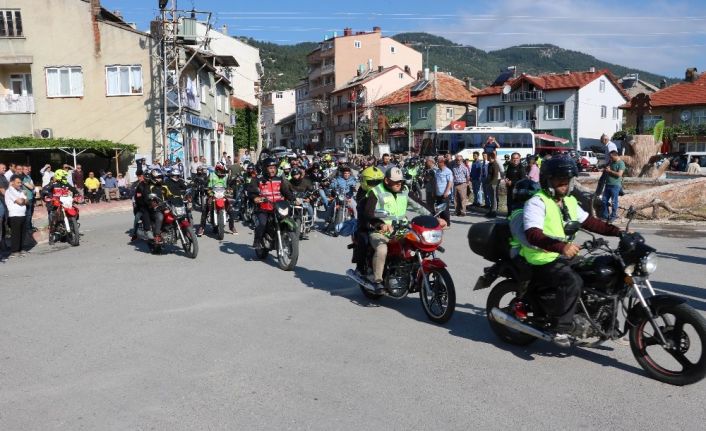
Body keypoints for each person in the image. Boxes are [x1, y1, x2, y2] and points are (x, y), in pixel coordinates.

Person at [521, 156, 621, 345]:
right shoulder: (537, 202)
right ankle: (561, 329)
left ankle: (606, 324)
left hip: (565, 255)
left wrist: (618, 232)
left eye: (567, 180)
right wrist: (562, 247)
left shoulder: (569, 202)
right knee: (572, 281)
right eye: (559, 179)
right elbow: (533, 234)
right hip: (542, 258)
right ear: (548, 180)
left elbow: (591, 223)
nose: (564, 184)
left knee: (603, 274)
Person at [362, 167, 438, 292]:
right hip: (380, 231)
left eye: (401, 181)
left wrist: (435, 216)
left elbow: (419, 205)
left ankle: (410, 273)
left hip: (401, 229)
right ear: (387, 180)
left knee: (419, 244)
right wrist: (380, 224)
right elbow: (368, 213)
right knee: (382, 249)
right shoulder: (376, 192)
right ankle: (378, 281)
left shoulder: (404, 190)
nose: (399, 183)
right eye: (396, 181)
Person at [247, 157, 294, 254]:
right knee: (262, 223)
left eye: (274, 168)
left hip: (277, 207)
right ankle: (258, 241)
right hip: (263, 208)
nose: (273, 170)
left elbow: (285, 191)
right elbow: (251, 191)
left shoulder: (279, 179)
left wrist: (294, 199)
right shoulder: (258, 179)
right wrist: (255, 198)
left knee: (287, 219)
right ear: (265, 168)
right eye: (270, 168)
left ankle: (284, 237)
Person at [40, 169, 79, 244]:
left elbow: (73, 189)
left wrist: (77, 194)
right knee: (53, 218)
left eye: (65, 176)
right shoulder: (53, 184)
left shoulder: (66, 184)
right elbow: (45, 190)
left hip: (65, 202)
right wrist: (48, 196)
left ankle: (72, 225)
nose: (65, 178)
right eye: (63, 176)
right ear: (58, 176)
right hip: (54, 204)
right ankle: (51, 236)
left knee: (75, 210)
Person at [142, 169, 172, 243]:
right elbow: (146, 197)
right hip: (155, 209)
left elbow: (170, 194)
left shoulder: (164, 186)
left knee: (175, 215)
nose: (160, 179)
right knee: (160, 216)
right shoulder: (149, 186)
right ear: (153, 178)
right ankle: (157, 235)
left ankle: (171, 230)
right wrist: (152, 203)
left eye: (161, 177)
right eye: (158, 177)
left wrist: (178, 198)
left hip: (165, 206)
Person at [198, 163, 229, 236]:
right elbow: (206, 183)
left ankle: (232, 226)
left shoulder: (225, 177)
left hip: (222, 194)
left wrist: (229, 188)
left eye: (222, 170)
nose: (221, 172)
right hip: (212, 194)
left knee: (230, 208)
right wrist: (205, 187)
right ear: (217, 169)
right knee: (205, 210)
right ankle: (201, 227)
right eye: (220, 170)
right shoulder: (211, 175)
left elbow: (227, 185)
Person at [4, 175, 27, 258]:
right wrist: (22, 199)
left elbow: (26, 201)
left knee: (22, 233)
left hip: (22, 214)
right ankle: (14, 251)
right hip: (14, 215)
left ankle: (21, 249)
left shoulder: (20, 190)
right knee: (16, 234)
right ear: (12, 182)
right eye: (18, 182)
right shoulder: (10, 191)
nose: (20, 184)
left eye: (20, 182)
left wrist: (23, 199)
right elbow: (20, 201)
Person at [288, 167, 315, 232]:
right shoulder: (290, 182)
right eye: (294, 175)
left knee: (309, 208)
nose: (296, 176)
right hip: (294, 201)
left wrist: (309, 198)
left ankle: (310, 221)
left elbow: (311, 190)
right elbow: (286, 191)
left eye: (297, 174)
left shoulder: (306, 181)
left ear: (300, 174)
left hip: (304, 200)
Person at [602, 150, 625, 222]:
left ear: (615, 155)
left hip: (615, 185)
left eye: (611, 157)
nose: (610, 158)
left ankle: (613, 216)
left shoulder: (621, 163)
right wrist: (606, 169)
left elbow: (619, 174)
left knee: (614, 202)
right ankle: (606, 215)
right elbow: (608, 170)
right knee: (604, 200)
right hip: (608, 184)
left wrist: (610, 171)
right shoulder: (611, 162)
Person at [434, 158, 453, 226]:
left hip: (445, 194)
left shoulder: (448, 171)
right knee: (439, 210)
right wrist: (435, 191)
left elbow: (450, 182)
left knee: (445, 210)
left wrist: (446, 192)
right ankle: (442, 223)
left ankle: (447, 223)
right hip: (438, 193)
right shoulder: (437, 171)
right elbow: (436, 182)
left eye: (438, 162)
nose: (437, 163)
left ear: (442, 163)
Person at [484, 152, 501, 218]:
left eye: (488, 156)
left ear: (491, 157)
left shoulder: (495, 164)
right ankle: (491, 210)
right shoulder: (490, 164)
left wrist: (491, 184)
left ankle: (494, 212)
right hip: (489, 183)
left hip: (493, 184)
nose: (487, 157)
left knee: (494, 199)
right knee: (491, 198)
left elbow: (495, 176)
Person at [21, 165, 36, 232]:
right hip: (27, 198)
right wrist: (31, 185)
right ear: (23, 170)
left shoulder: (28, 176)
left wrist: (31, 185)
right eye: (26, 169)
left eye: (28, 169)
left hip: (31, 197)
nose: (27, 170)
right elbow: (31, 187)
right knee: (28, 214)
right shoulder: (23, 177)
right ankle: (27, 229)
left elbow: (33, 185)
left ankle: (29, 227)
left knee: (30, 213)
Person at [0, 163, 8, 250]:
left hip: (5, 203)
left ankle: (3, 243)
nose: (4, 169)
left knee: (4, 223)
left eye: (5, 168)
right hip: (1, 203)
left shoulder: (3, 176)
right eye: (3, 168)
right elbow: (2, 190)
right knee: (1, 223)